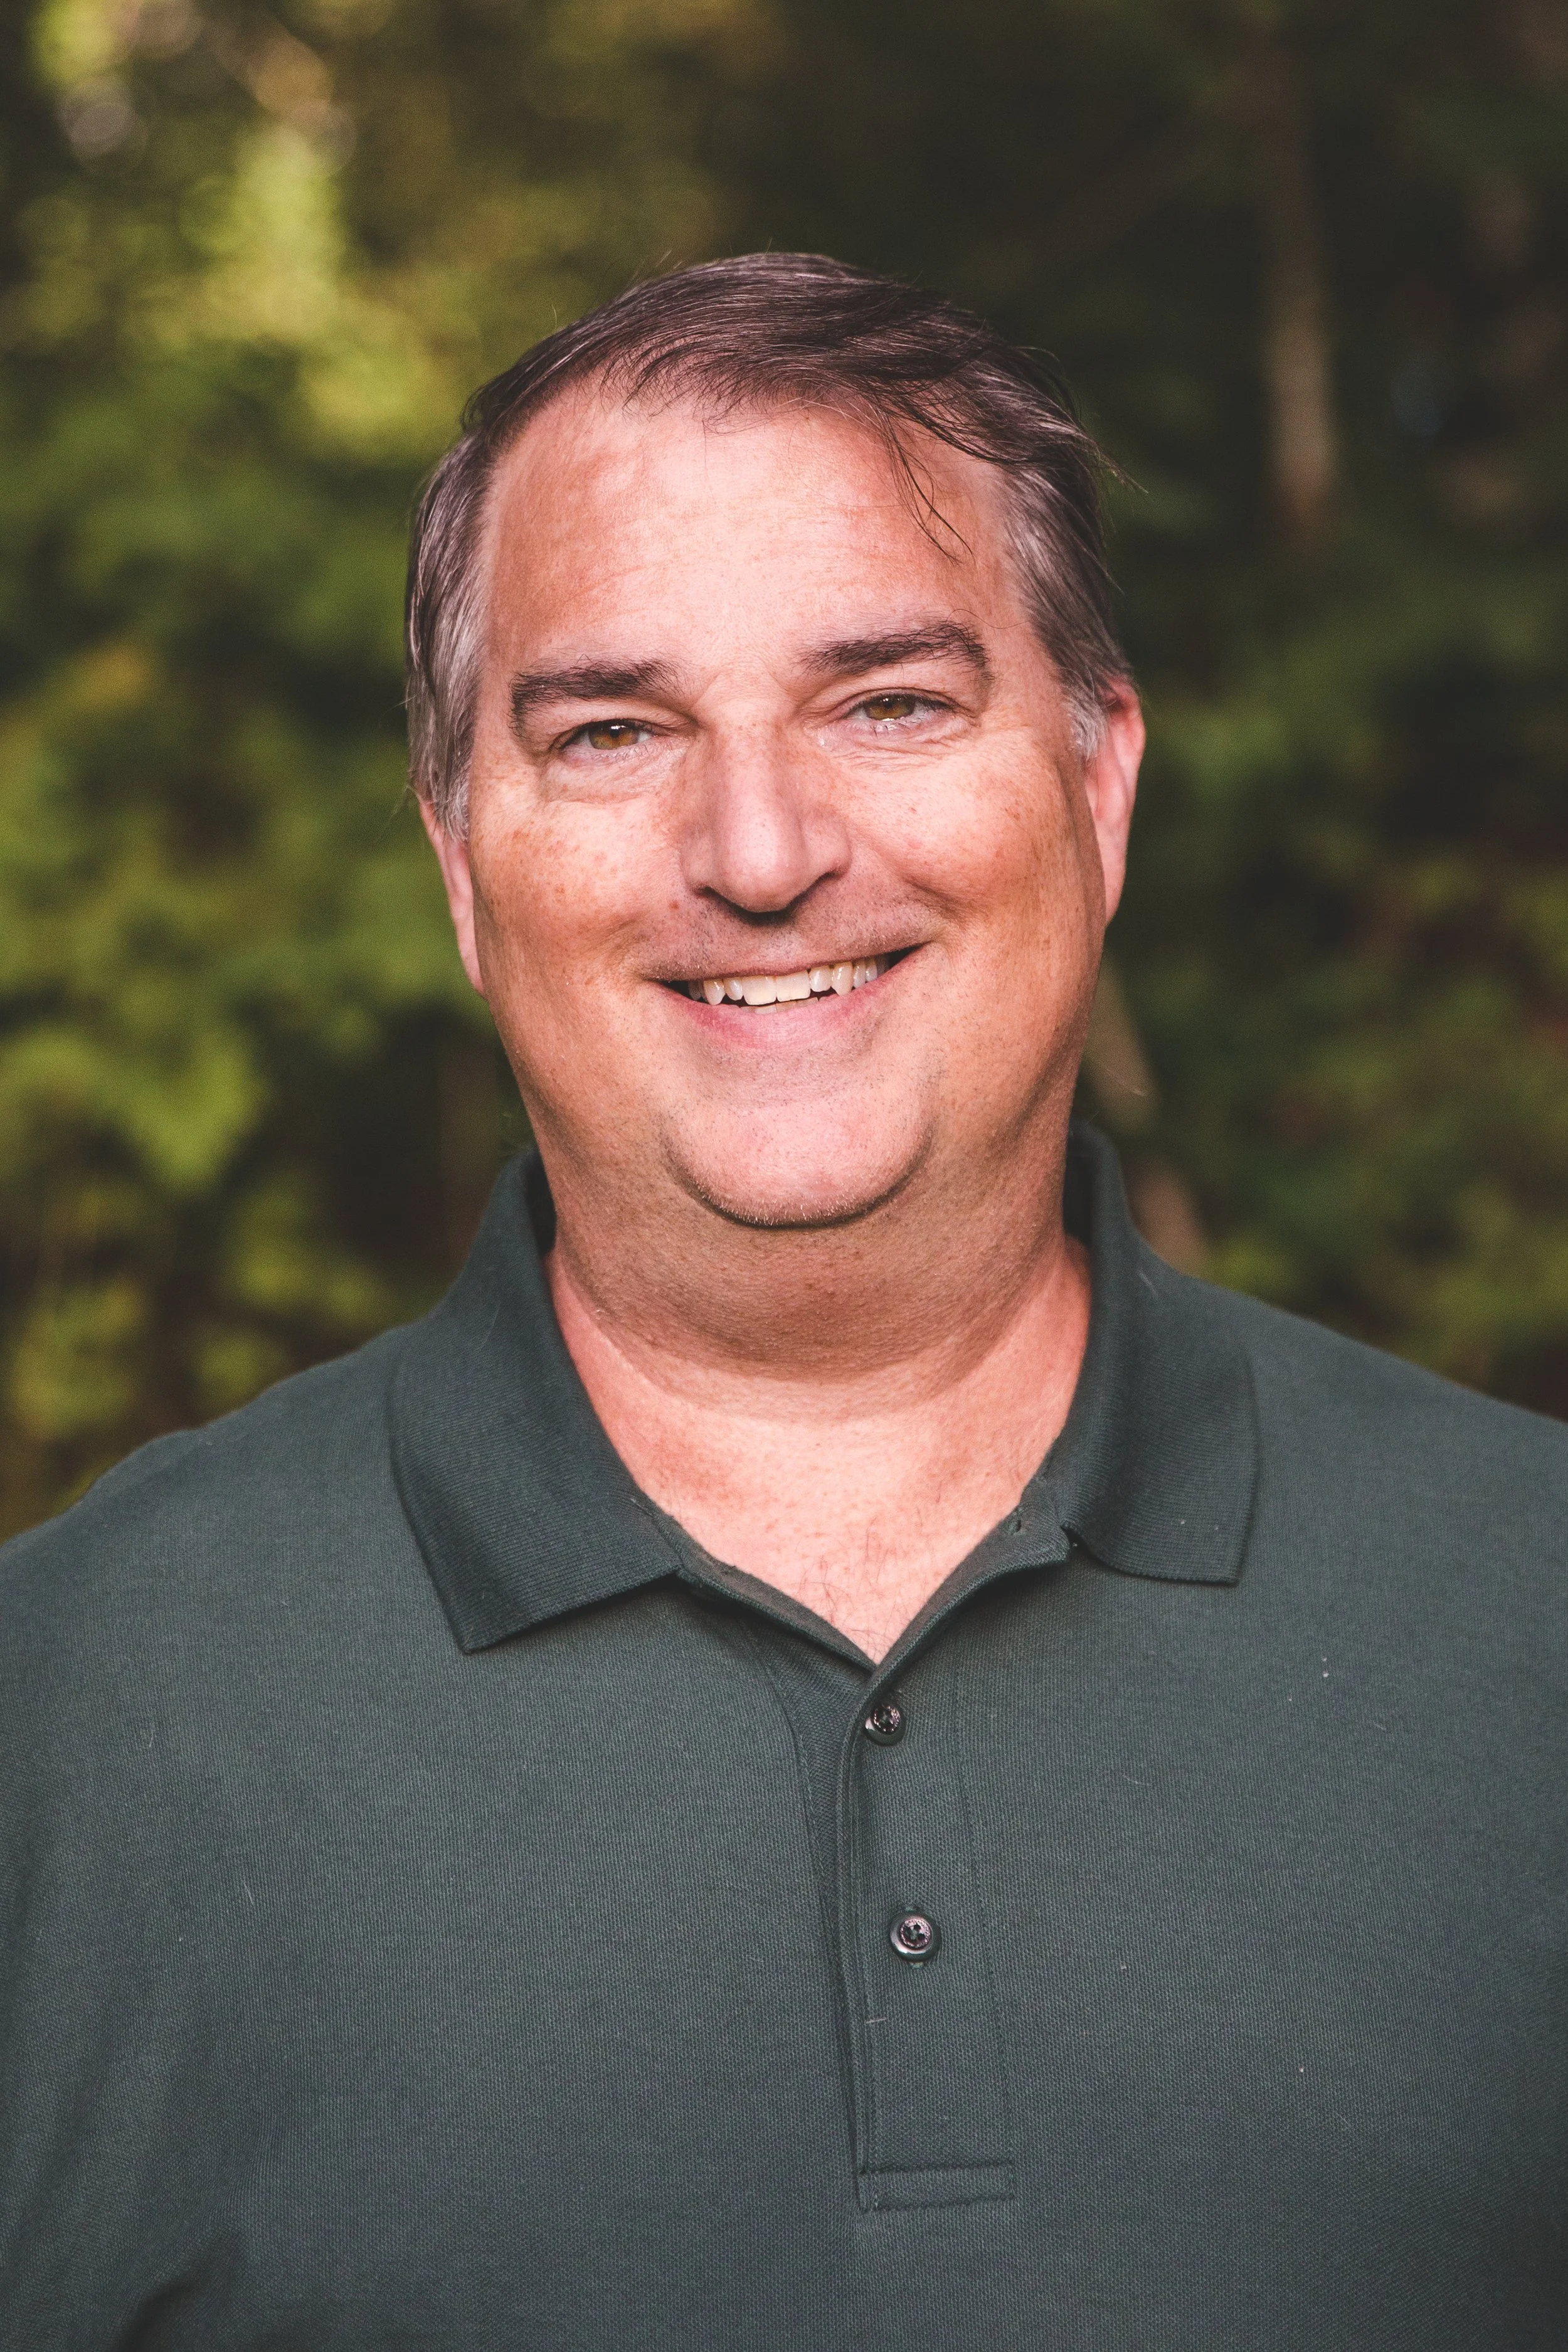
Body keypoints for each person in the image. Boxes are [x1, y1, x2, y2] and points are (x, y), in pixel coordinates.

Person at [2, 253, 1564, 2351]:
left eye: (887, 701)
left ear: (1096, 783)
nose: (757, 848)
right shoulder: (67, 1720)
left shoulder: (1529, 1623)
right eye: (613, 730)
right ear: (462, 865)